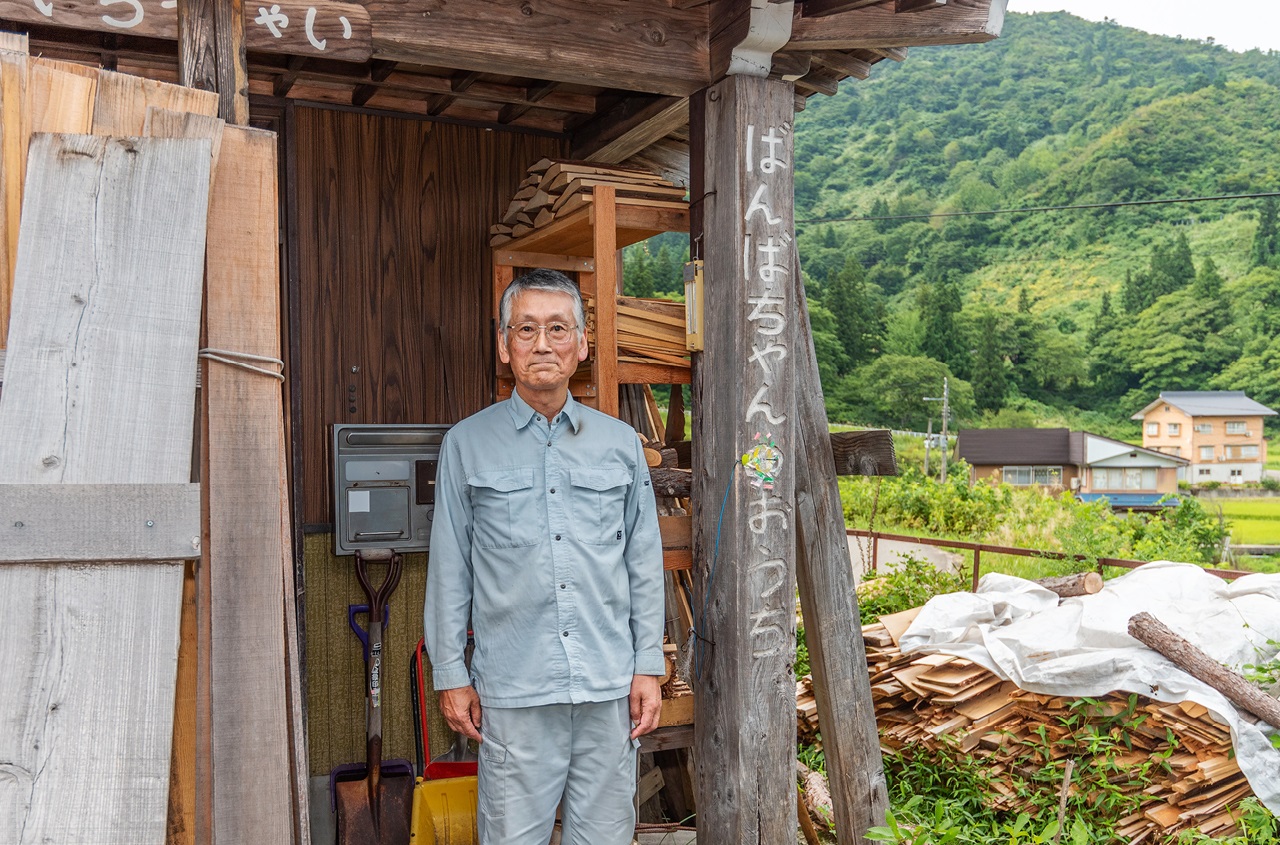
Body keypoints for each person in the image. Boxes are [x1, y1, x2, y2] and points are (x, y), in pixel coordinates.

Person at [424, 268, 665, 845]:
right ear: (504, 346)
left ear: (582, 344)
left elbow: (643, 562)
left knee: (605, 836)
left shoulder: (620, 445)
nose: (542, 343)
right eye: (526, 329)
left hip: (608, 688)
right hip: (515, 690)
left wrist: (648, 665)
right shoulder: (466, 443)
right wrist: (451, 673)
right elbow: (449, 567)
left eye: (558, 328)